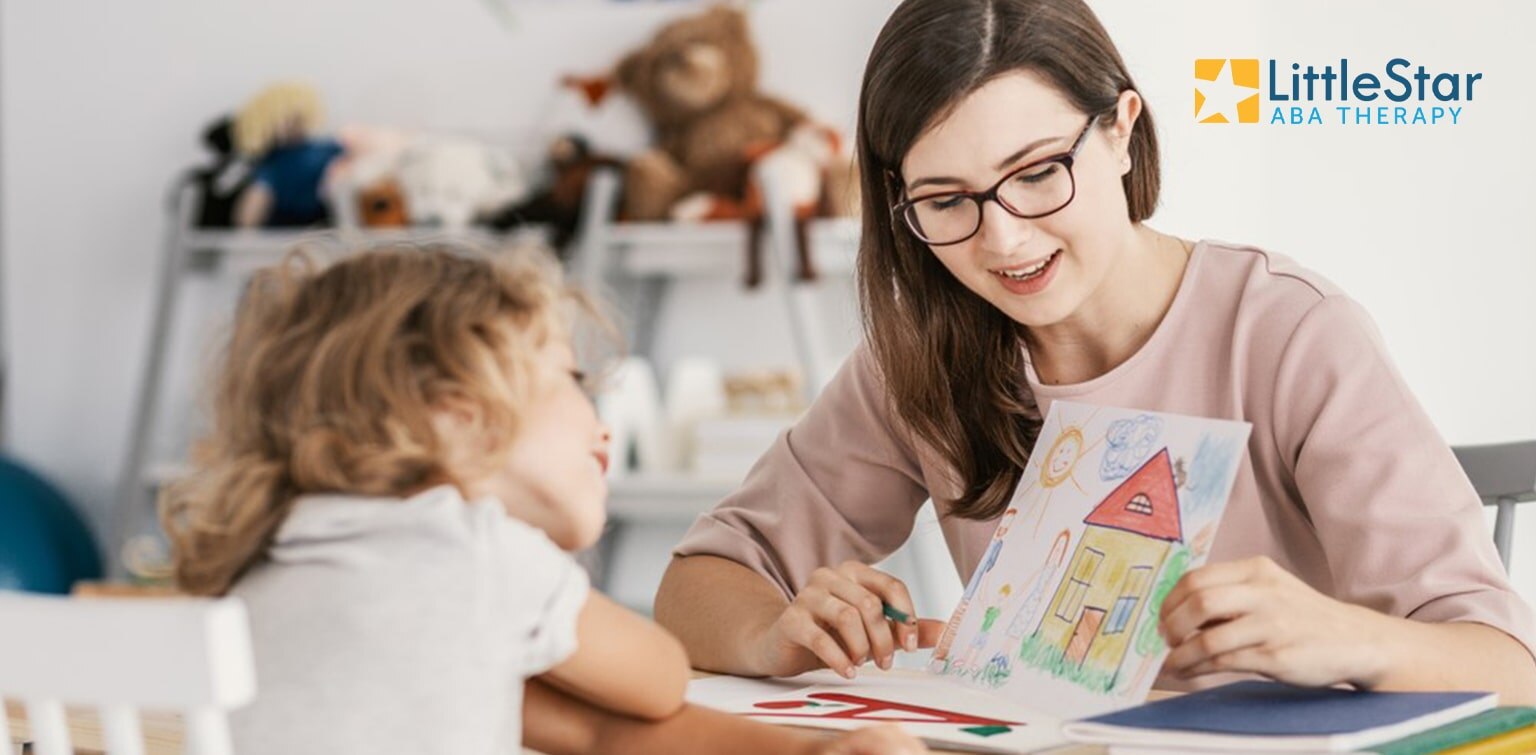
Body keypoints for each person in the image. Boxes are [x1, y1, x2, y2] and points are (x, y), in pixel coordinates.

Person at [654, 0, 1536, 702]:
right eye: (946, 199)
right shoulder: (921, 355)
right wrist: (775, 631)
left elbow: (1508, 665)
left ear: (1119, 130)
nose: (1002, 239)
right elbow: (700, 584)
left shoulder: (1288, 331)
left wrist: (1348, 636)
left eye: (1038, 172)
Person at [161, 243, 927, 754]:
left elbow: (592, 732)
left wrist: (815, 749)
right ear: (456, 414)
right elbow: (659, 679)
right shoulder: (479, 553)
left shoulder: (270, 560)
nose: (600, 416)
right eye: (572, 380)